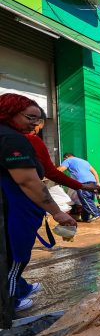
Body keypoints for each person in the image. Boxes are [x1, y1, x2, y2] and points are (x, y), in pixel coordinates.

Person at [0, 93, 78, 312]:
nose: (35, 124)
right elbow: (28, 181)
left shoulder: (10, 136)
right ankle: (8, 306)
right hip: (13, 209)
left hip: (13, 208)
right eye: (30, 117)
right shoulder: (11, 139)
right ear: (10, 111)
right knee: (15, 258)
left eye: (38, 119)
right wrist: (57, 212)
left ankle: (20, 289)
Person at [58, 153, 100, 222]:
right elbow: (95, 172)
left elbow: (59, 170)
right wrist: (98, 183)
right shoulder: (84, 162)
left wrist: (48, 175)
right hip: (93, 182)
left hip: (83, 183)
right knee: (88, 199)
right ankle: (85, 218)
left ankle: (96, 214)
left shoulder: (68, 160)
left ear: (66, 157)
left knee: (85, 199)